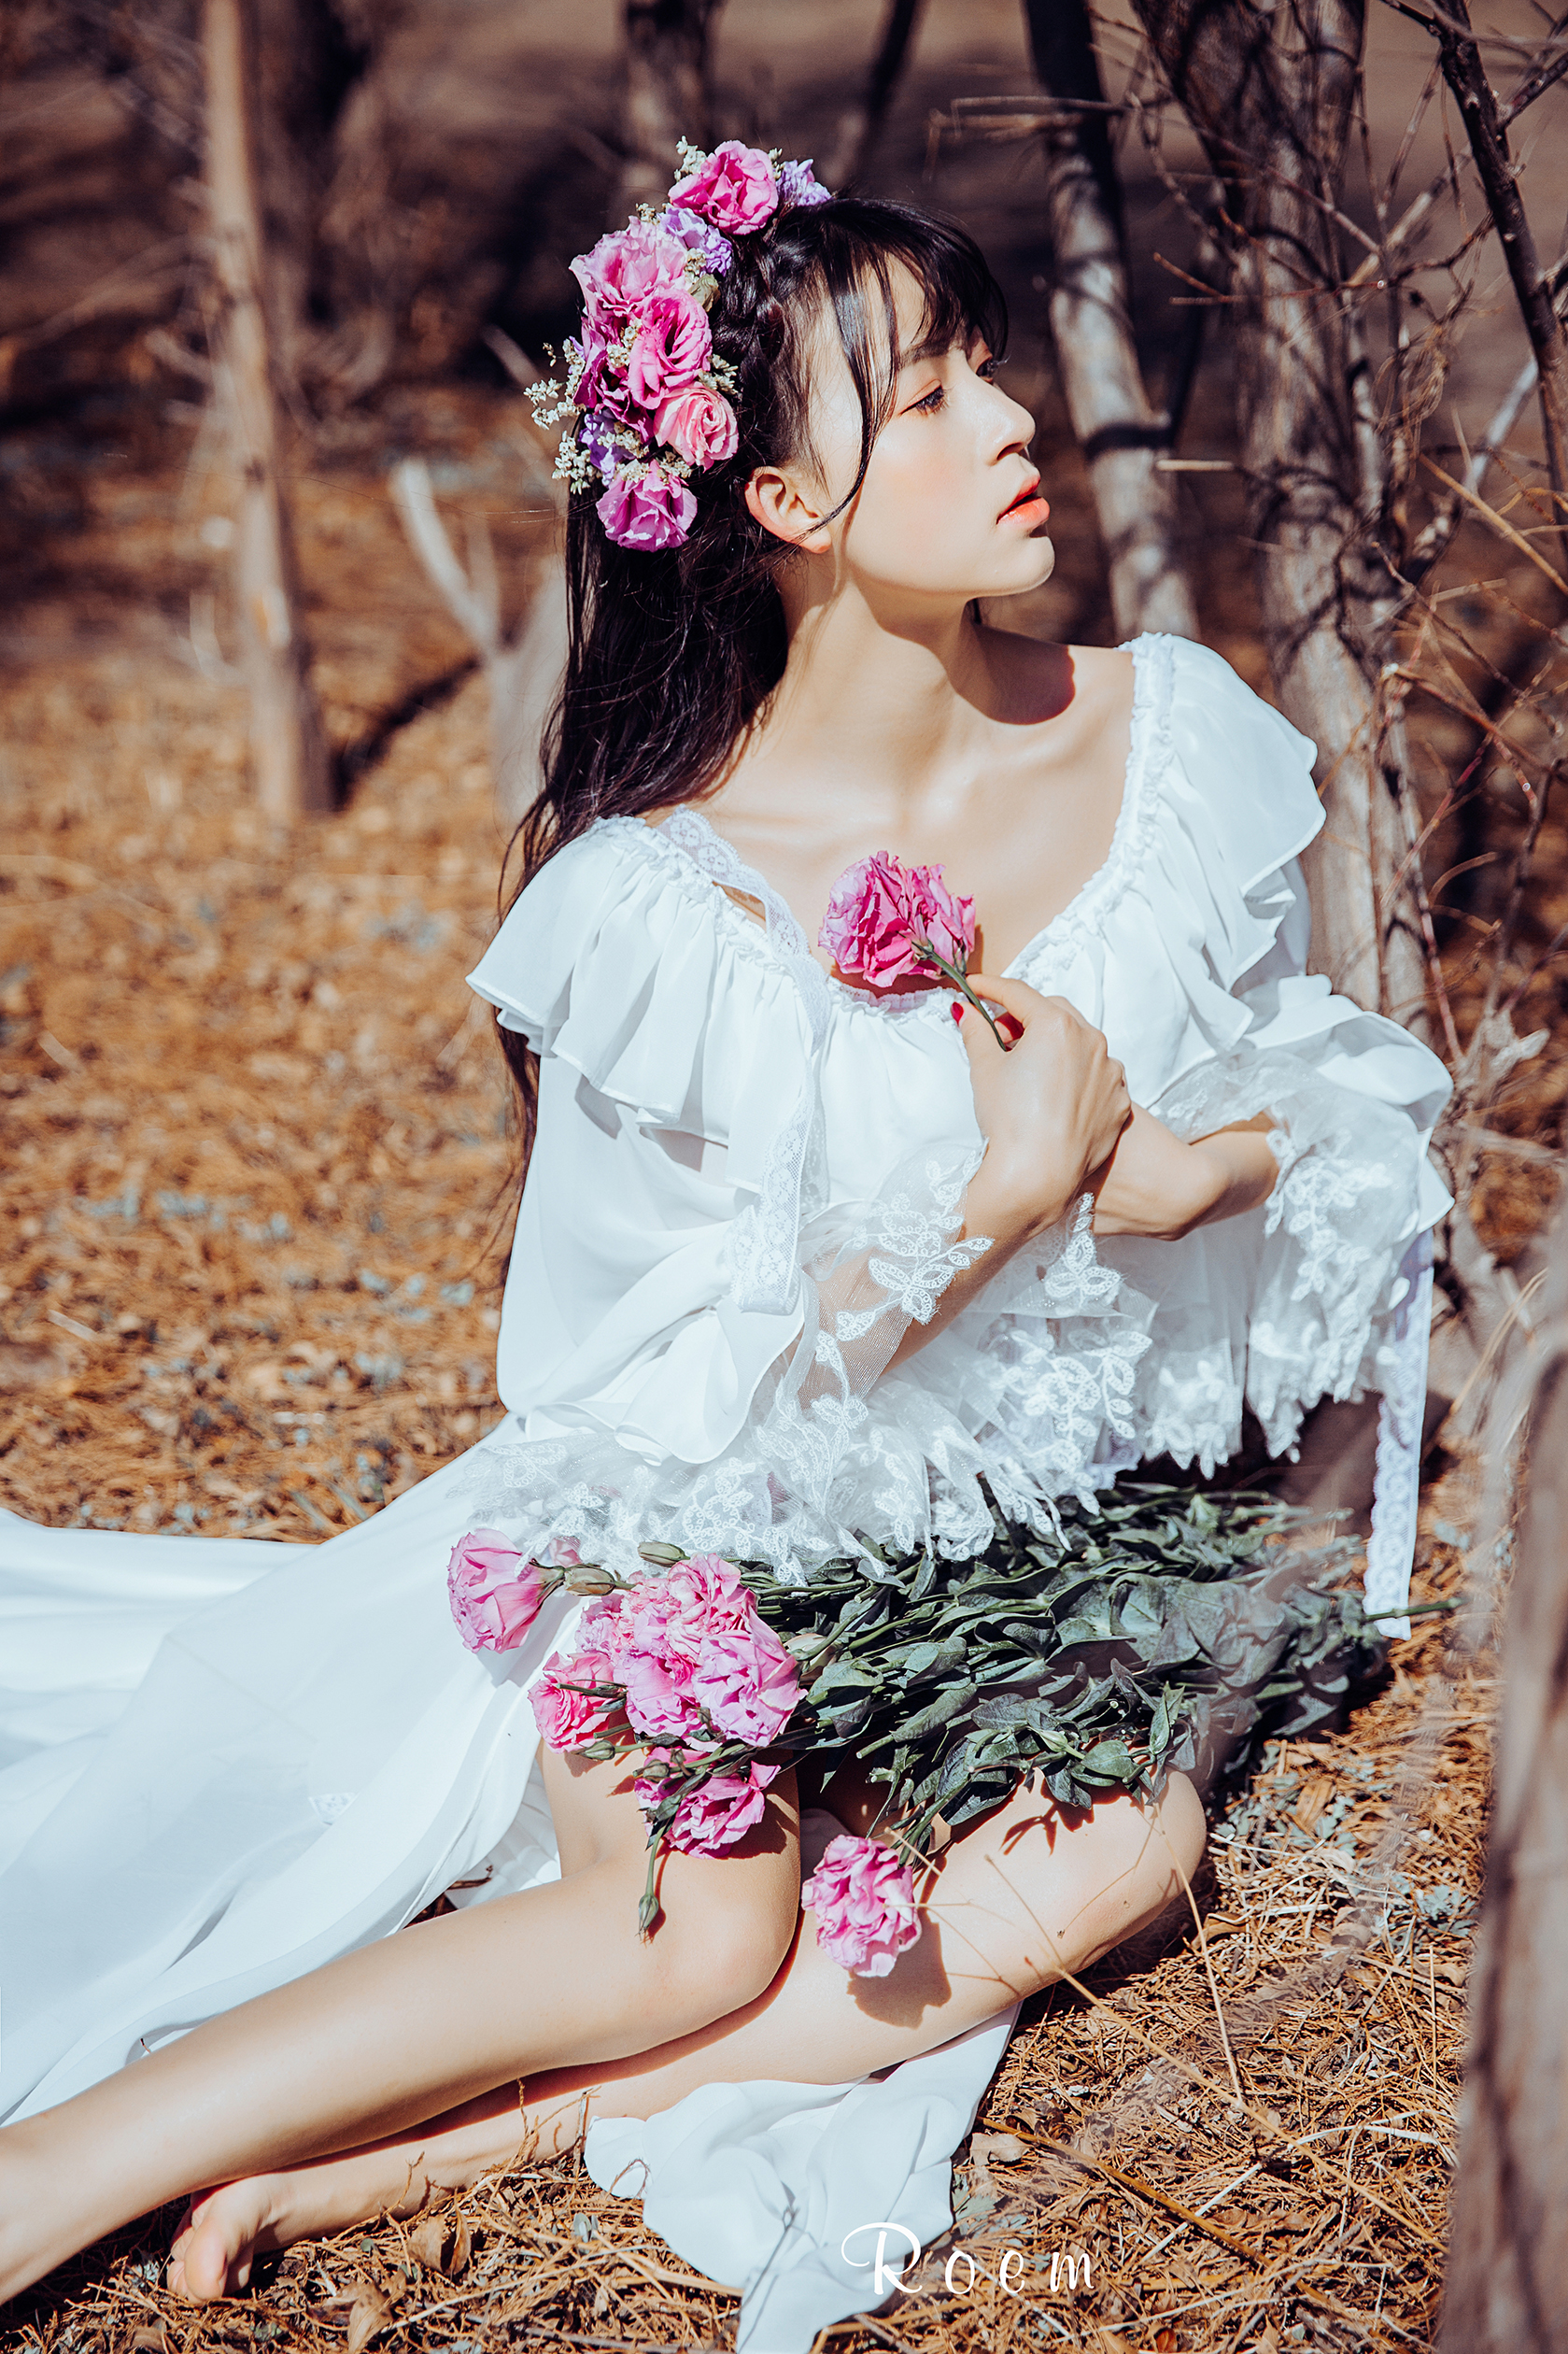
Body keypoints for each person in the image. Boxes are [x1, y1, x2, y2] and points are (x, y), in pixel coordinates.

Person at [0, 152, 1449, 2340]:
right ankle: (52, 2172)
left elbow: (1353, 1109)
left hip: (1042, 1542)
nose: (1016, 423)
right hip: (701, 1511)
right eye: (930, 398)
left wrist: (1191, 1176)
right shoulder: (656, 904)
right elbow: (641, 1400)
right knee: (689, 1925)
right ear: (777, 500)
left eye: (990, 371)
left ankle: (439, 2146)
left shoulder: (1166, 735)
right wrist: (995, 1205)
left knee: (1126, 1856)